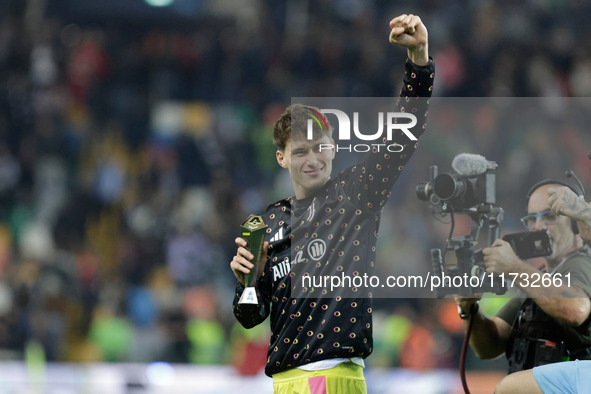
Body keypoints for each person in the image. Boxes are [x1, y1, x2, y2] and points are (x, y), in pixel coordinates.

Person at [230, 14, 434, 393]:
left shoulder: (356, 194)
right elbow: (248, 317)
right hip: (283, 382)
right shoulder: (267, 223)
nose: (312, 159)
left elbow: (404, 135)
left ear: (334, 148)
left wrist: (419, 61)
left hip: (334, 375)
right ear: (282, 158)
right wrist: (250, 281)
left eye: (320, 148)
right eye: (301, 150)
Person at [455, 180, 591, 376]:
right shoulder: (540, 280)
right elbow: (490, 346)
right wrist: (469, 310)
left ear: (575, 224)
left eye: (549, 216)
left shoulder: (582, 263)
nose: (538, 226)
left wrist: (514, 268)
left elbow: (576, 310)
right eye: (531, 219)